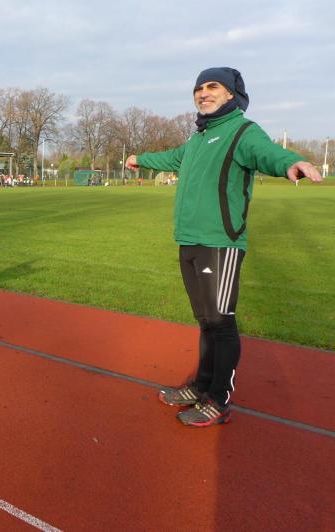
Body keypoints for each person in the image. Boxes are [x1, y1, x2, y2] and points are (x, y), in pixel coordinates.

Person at [125, 68, 323, 427]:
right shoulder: (198, 138)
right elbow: (172, 157)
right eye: (199, 88)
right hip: (189, 239)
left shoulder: (242, 131)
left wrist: (291, 162)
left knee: (220, 321)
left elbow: (267, 153)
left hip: (220, 242)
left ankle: (218, 399)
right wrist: (141, 158)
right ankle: (200, 386)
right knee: (205, 321)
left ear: (231, 94)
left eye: (212, 86)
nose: (203, 93)